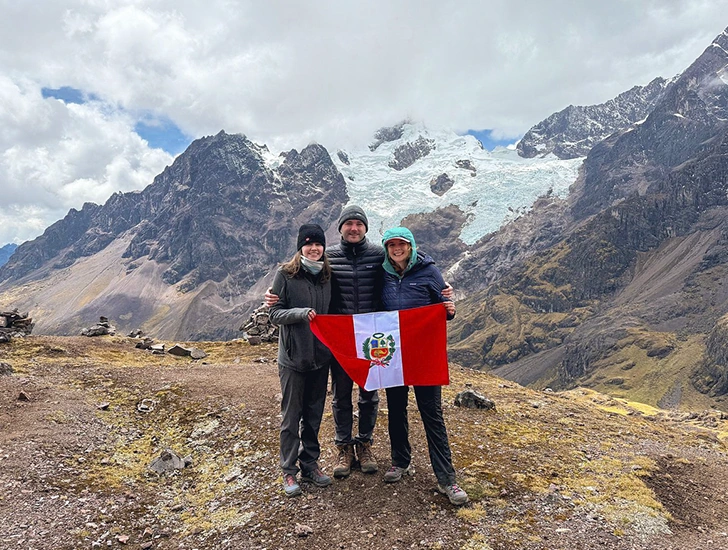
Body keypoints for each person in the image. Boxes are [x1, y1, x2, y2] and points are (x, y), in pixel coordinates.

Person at [267, 205, 384, 478]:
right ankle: (344, 447)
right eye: (348, 223)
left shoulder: (379, 255)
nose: (353, 228)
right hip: (340, 340)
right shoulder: (327, 259)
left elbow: (408, 261)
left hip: (371, 337)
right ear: (340, 228)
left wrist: (441, 287)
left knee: (369, 395)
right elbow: (296, 274)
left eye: (359, 223)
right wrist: (273, 294)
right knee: (341, 395)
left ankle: (364, 444)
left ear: (365, 227)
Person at [379, 226, 469, 506]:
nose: (396, 249)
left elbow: (443, 305)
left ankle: (447, 479)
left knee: (431, 412)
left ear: (411, 246)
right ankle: (400, 461)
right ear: (386, 248)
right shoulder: (381, 273)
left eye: (401, 244)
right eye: (391, 244)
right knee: (395, 408)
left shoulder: (429, 271)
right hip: (393, 354)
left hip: (423, 353)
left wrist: (450, 310)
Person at [269, 224, 334, 497]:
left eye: (318, 244)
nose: (314, 249)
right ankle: (288, 470)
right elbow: (274, 314)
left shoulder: (328, 276)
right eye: (308, 244)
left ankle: (310, 464)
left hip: (320, 359)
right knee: (291, 416)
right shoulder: (285, 274)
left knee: (314, 415)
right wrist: (299, 313)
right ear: (301, 247)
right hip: (294, 359)